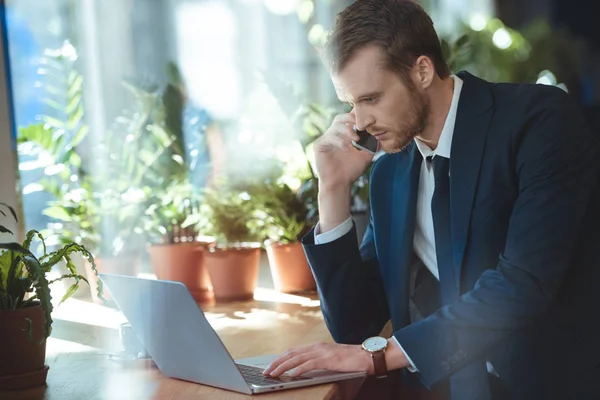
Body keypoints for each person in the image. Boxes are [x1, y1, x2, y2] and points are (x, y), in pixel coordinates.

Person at [262, 0, 600, 399]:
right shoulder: (389, 172)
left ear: (422, 70)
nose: (360, 121)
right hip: (443, 388)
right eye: (350, 103)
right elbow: (356, 328)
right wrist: (332, 189)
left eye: (371, 98)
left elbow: (522, 283)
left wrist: (380, 356)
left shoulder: (539, 122)